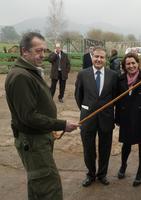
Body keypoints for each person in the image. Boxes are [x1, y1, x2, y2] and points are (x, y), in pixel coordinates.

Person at [5, 32, 79, 200]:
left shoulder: (29, 71)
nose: (43, 55)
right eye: (38, 51)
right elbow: (28, 117)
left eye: (44, 51)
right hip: (33, 142)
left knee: (38, 184)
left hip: (38, 138)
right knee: (49, 187)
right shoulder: (21, 76)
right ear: (24, 51)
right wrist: (61, 125)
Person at [75, 46, 118, 187]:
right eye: (96, 56)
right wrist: (87, 108)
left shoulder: (113, 75)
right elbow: (78, 96)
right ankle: (90, 174)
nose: (99, 59)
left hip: (106, 118)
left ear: (105, 59)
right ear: (92, 57)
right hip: (88, 118)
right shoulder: (82, 74)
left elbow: (115, 96)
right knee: (88, 148)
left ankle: (102, 174)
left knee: (105, 148)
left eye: (102, 57)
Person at [115, 52, 141, 187]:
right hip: (127, 117)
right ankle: (123, 166)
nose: (131, 66)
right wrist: (118, 118)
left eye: (133, 63)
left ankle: (140, 172)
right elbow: (117, 101)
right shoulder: (120, 79)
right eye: (128, 63)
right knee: (126, 144)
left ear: (138, 64)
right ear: (124, 65)